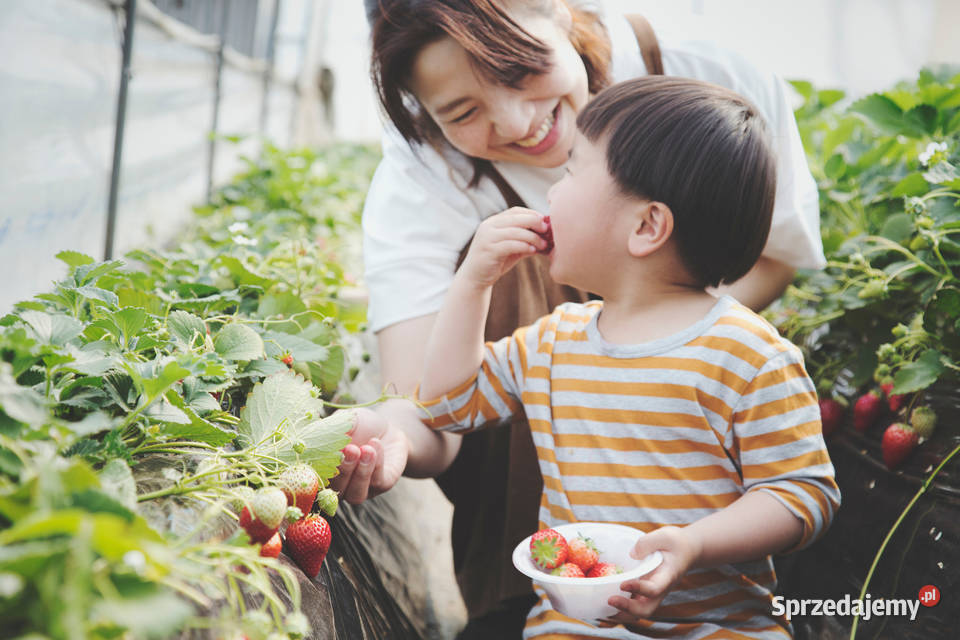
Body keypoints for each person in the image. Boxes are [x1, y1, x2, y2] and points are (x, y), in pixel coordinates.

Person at [332, 1, 827, 636]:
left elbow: (802, 489)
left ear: (560, 12)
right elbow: (439, 404)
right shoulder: (550, 344)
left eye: (518, 71)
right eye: (462, 112)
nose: (518, 123)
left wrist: (665, 345)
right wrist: (469, 290)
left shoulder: (750, 356)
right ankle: (511, 594)